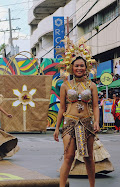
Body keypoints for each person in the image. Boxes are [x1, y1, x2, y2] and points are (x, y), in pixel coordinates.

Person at [53, 37, 100, 187]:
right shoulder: (65, 85)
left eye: (82, 66)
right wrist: (56, 127)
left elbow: (95, 106)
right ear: (71, 67)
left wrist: (97, 122)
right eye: (76, 66)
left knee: (88, 157)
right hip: (70, 122)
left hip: (87, 122)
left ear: (86, 67)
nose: (79, 68)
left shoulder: (92, 85)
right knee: (69, 156)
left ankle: (92, 186)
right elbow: (61, 108)